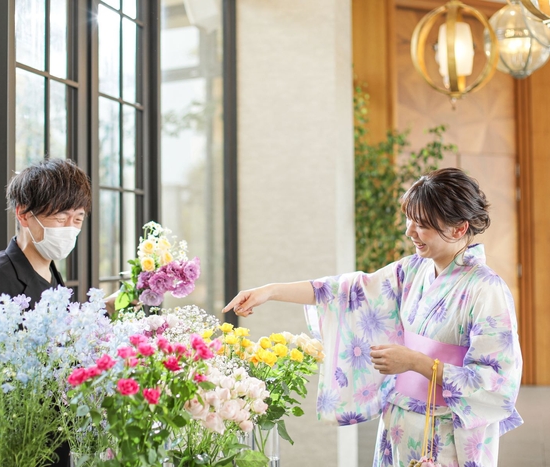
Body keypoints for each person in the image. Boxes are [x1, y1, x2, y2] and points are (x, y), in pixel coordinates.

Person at [223, 167, 523, 467]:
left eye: (422, 224)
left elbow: (497, 382)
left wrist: (415, 362)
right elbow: (346, 291)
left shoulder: (486, 289)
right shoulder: (412, 270)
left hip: (447, 431)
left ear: (459, 229)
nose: (409, 232)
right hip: (399, 421)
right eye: (409, 220)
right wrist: (271, 291)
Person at [0, 158, 105, 467]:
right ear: (23, 213)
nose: (70, 229)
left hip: (56, 440)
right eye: (60, 217)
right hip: (18, 444)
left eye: (77, 218)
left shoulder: (51, 272)